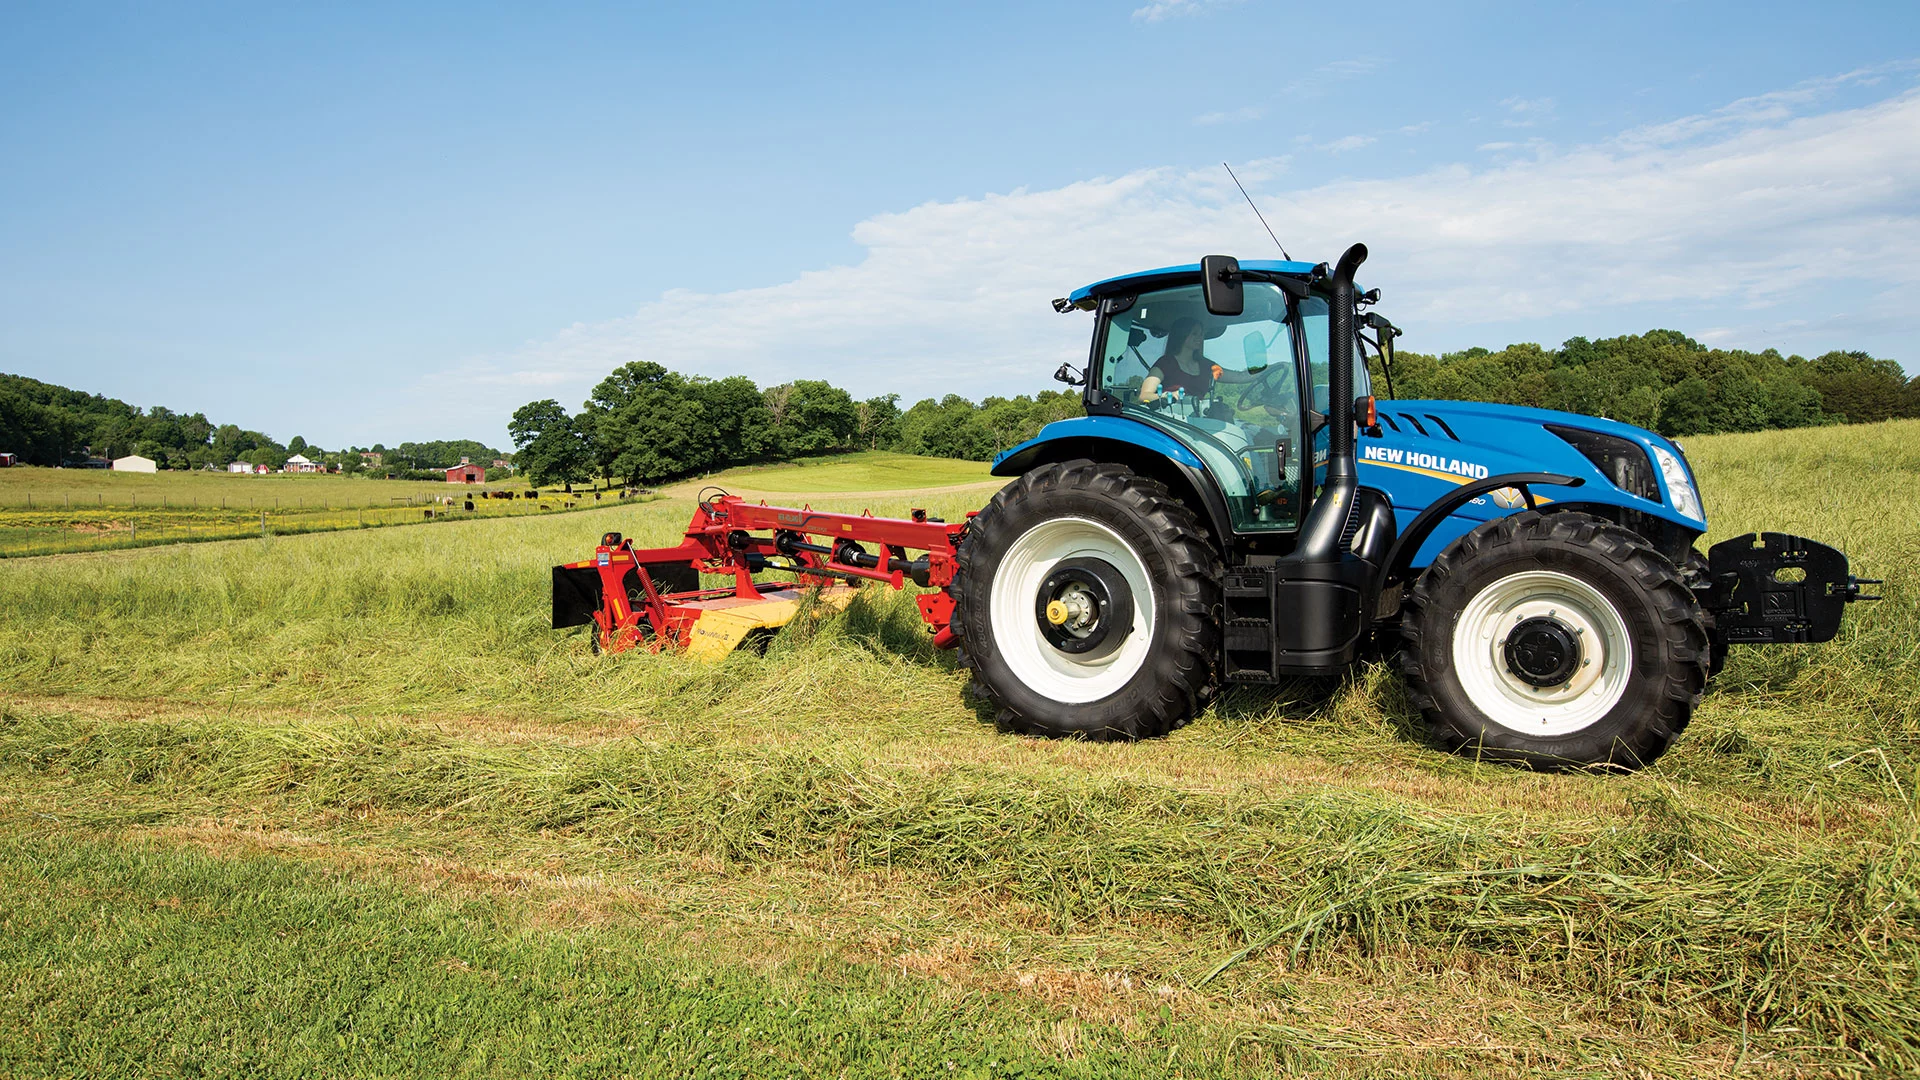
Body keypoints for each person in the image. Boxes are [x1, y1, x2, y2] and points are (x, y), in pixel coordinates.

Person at [1137, 318, 1256, 405]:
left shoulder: (1208, 367)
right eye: (1194, 334)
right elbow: (1144, 396)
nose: (1200, 337)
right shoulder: (1165, 363)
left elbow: (1240, 377)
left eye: (1201, 334)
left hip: (1198, 424)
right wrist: (1168, 396)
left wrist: (1270, 367)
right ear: (1181, 335)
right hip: (1169, 423)